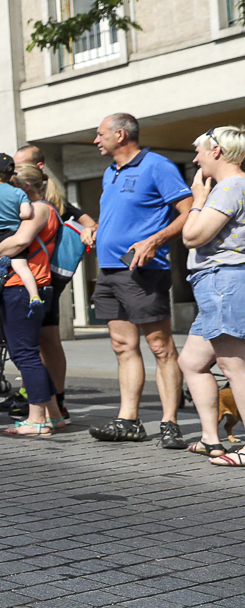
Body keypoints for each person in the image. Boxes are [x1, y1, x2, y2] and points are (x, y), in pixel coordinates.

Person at [84, 113, 192, 445]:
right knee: (122, 346)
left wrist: (155, 240)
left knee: (160, 347)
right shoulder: (109, 172)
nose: (95, 140)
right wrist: (96, 229)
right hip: (109, 271)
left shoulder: (157, 165)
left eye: (100, 134)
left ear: (120, 135)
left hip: (144, 272)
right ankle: (129, 421)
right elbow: (120, 215)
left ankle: (170, 422)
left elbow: (189, 211)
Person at [172, 128, 245, 463]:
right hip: (216, 285)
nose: (195, 158)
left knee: (234, 366)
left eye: (199, 151)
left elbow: (193, 236)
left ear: (216, 151)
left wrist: (198, 199)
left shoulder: (229, 187)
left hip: (222, 282)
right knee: (191, 361)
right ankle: (210, 438)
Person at [13, 145, 99, 423]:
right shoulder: (41, 202)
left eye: (19, 166)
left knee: (42, 340)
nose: (13, 172)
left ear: (36, 169)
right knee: (42, 340)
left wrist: (88, 230)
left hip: (43, 278)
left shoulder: (52, 204)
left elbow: (92, 223)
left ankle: (49, 400)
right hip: (42, 277)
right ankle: (46, 400)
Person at [0, 164, 63, 435]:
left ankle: (37, 419)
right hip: (37, 286)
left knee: (24, 354)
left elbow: (19, 241)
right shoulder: (49, 209)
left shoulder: (39, 209)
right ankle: (53, 414)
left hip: (21, 289)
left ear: (24, 187)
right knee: (30, 353)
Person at [0, 153, 43, 311]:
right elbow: (26, 214)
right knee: (22, 267)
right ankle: (34, 296)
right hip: (12, 236)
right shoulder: (19, 193)